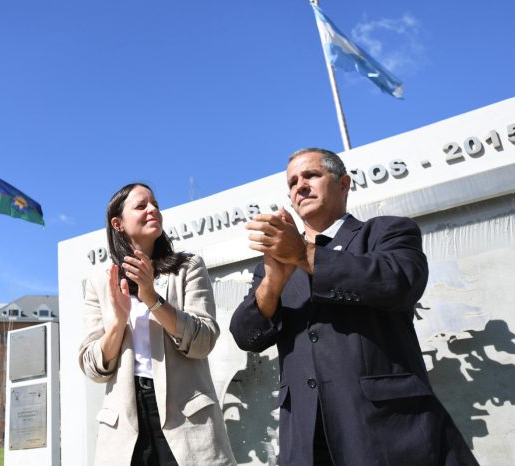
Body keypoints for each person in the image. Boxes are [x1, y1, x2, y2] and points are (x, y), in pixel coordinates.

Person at [230, 148, 477, 466]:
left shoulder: (386, 232)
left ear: (343, 183)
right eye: (292, 182)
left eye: (311, 175)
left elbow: (400, 282)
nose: (300, 186)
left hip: (389, 431)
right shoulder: (272, 266)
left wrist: (305, 255)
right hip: (305, 440)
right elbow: (245, 334)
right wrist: (272, 283)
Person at [79, 183, 236, 466]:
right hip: (125, 422)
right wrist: (116, 324)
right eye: (141, 206)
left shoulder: (188, 268)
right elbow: (92, 366)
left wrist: (152, 298)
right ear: (118, 224)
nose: (153, 210)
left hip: (186, 418)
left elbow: (203, 341)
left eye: (155, 205)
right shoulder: (100, 282)